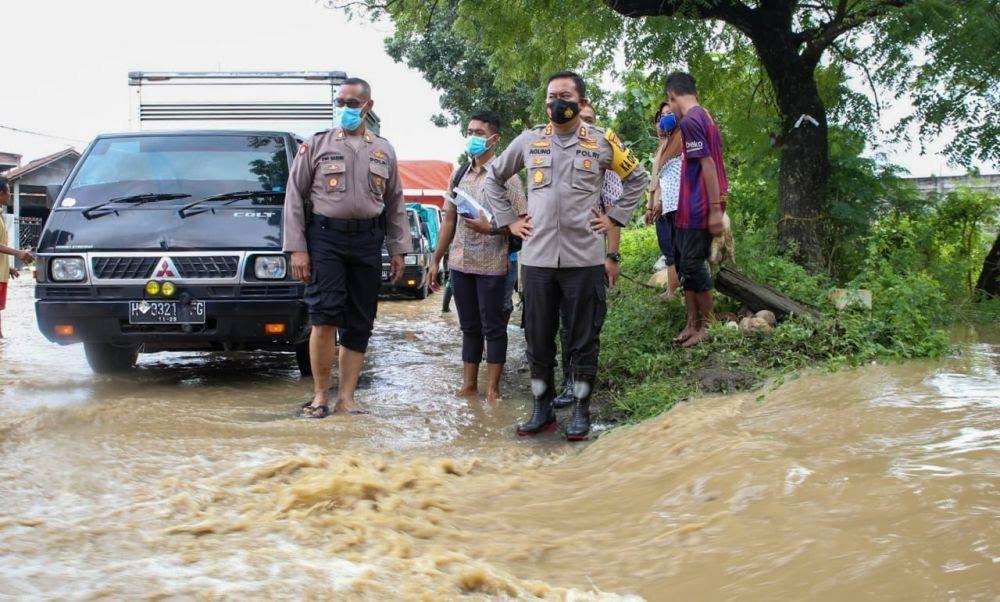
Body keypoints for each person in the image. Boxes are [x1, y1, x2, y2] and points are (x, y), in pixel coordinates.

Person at [484, 71, 648, 441]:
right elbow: (494, 178)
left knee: (583, 339)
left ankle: (580, 411)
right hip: (538, 259)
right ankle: (542, 410)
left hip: (584, 259)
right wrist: (509, 220)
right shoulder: (529, 141)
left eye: (565, 95)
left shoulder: (602, 141)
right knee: (538, 339)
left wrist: (614, 217)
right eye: (551, 95)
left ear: (581, 101)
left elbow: (637, 177)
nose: (557, 102)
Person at [283, 77, 412, 418]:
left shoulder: (383, 150)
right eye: (339, 102)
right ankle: (320, 396)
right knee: (324, 318)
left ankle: (347, 398)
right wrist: (297, 248)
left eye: (351, 103)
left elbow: (395, 203)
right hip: (325, 239)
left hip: (368, 241)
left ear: (367, 106)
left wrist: (399, 250)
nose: (344, 109)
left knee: (359, 322)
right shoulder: (316, 145)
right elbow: (294, 197)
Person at [428, 111, 527, 403]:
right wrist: (436, 259)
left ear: (494, 139)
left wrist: (492, 227)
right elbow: (448, 220)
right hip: (460, 263)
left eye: (480, 133)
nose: (473, 138)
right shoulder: (459, 174)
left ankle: (494, 389)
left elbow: (522, 222)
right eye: (470, 131)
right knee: (469, 326)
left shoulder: (506, 176)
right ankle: (469, 385)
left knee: (493, 327)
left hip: (493, 265)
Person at [552, 104, 625, 409]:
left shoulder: (603, 157)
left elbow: (613, 210)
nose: (583, 125)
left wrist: (612, 256)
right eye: (580, 119)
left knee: (586, 325)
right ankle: (567, 381)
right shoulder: (552, 156)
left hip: (589, 256)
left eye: (590, 120)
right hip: (554, 258)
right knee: (564, 324)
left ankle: (580, 390)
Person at [665, 72, 728, 348]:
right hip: (691, 203)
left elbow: (708, 165)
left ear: (672, 96)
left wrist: (715, 210)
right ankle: (693, 323)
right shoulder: (705, 115)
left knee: (692, 263)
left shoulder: (690, 120)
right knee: (685, 263)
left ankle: (708, 325)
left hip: (699, 203)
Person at [645, 102, 683, 300]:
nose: (664, 120)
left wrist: (657, 203)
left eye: (669, 114)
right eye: (661, 116)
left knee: (673, 250)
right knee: (667, 246)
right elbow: (655, 181)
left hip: (672, 204)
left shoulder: (679, 144)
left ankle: (673, 291)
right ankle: (672, 290)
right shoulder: (662, 148)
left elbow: (670, 181)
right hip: (662, 205)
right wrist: (650, 204)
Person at [0, 177, 35, 338]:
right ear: (2, 193)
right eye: (9, 192)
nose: (10, 196)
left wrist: (8, 267)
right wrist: (18, 253)